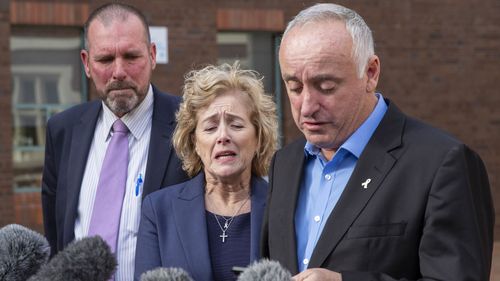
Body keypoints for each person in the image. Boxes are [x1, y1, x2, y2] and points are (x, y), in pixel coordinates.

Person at [261, 3, 494, 281]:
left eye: (326, 86)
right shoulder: (284, 164)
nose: (307, 106)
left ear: (370, 73)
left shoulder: (444, 163)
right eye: (295, 87)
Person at [41, 3, 188, 281]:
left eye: (131, 56)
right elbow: (55, 238)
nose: (119, 71)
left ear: (152, 55)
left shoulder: (191, 126)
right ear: (86, 63)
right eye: (105, 60)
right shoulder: (62, 131)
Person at [134, 63, 278, 281]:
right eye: (210, 128)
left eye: (236, 125)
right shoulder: (159, 210)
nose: (223, 136)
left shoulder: (283, 207)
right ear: (195, 143)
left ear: (259, 138)